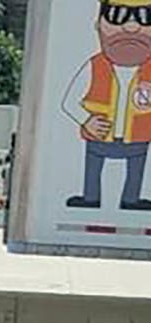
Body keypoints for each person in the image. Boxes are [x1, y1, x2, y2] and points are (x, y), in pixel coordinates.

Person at [62, 0, 151, 211]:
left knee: (135, 169)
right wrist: (86, 120)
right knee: (93, 167)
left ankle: (131, 200)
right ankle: (91, 198)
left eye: (145, 17)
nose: (131, 27)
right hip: (99, 135)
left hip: (137, 138)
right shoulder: (94, 66)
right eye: (117, 15)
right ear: (98, 25)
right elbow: (69, 101)